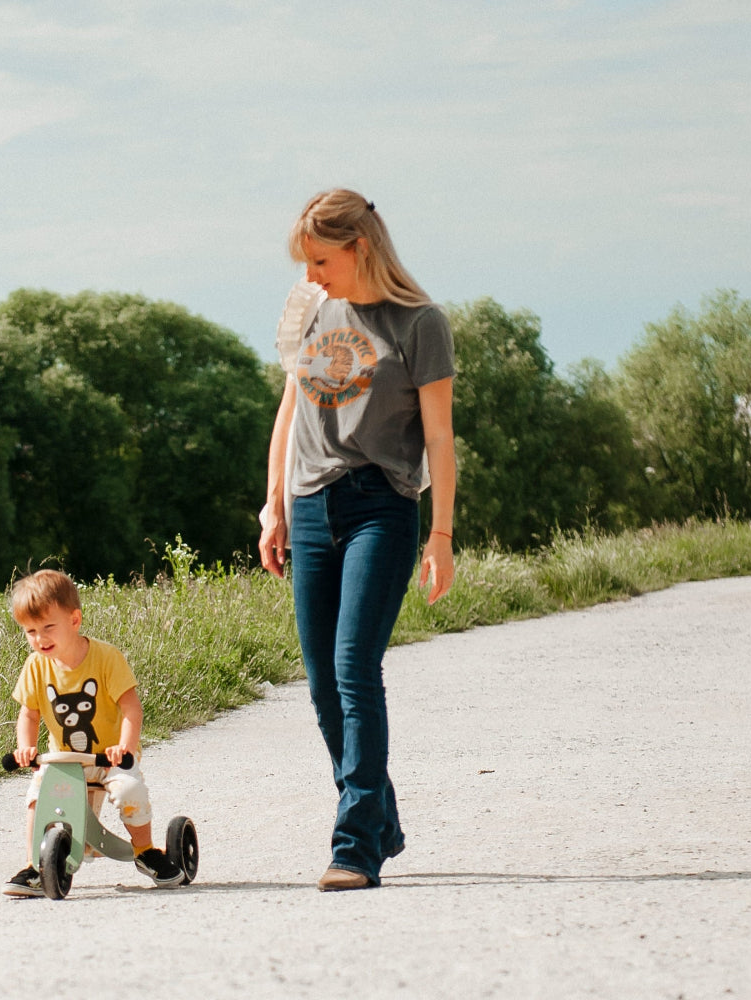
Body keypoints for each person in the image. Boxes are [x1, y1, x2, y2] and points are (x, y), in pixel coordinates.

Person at [258, 189, 456, 891]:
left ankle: (355, 846)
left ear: (358, 248)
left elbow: (438, 435)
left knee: (352, 669)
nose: (311, 274)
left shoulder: (419, 322)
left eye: (321, 260)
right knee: (318, 685)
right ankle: (379, 816)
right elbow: (291, 411)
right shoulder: (312, 309)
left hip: (382, 506)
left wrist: (440, 533)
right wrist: (273, 503)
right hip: (310, 506)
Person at [2, 568, 184, 896]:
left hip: (107, 756)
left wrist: (124, 749)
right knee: (37, 798)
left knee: (129, 791)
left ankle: (146, 851)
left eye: (47, 627)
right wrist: (25, 748)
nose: (39, 639)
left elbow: (132, 708)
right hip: (64, 759)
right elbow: (28, 714)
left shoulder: (105, 658)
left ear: (74, 620)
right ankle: (35, 866)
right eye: (30, 631)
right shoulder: (35, 666)